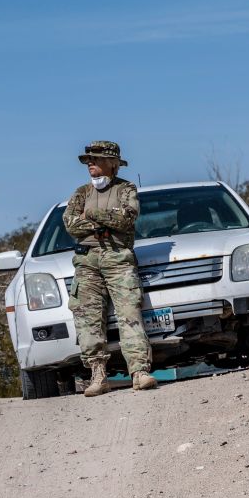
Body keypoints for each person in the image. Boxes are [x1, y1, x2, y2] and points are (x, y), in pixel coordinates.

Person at [63, 141, 157, 397]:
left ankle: (139, 372)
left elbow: (127, 218)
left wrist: (90, 216)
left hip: (118, 259)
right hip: (86, 262)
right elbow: (70, 225)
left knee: (129, 313)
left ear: (112, 164)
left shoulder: (126, 189)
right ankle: (97, 375)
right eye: (87, 160)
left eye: (95, 159)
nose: (89, 164)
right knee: (87, 319)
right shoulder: (81, 192)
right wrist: (103, 219)